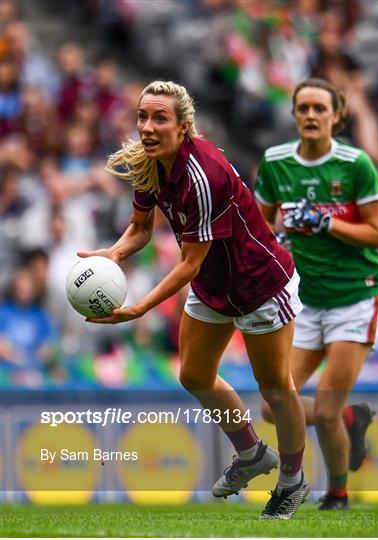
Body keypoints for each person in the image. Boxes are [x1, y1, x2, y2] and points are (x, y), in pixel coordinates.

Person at [78, 80, 309, 520]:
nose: (147, 126)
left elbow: (188, 263)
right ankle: (252, 454)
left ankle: (293, 481)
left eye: (159, 118)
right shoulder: (151, 162)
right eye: (143, 116)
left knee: (276, 389)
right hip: (214, 282)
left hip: (258, 283)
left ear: (184, 127)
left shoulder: (203, 174)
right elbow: (141, 229)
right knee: (195, 375)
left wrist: (140, 307)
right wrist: (113, 254)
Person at [254, 78, 378, 510]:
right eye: (303, 108)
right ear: (294, 114)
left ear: (336, 116)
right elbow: (261, 229)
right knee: (272, 407)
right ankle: (354, 418)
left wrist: (326, 223)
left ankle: (337, 495)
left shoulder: (355, 164)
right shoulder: (275, 162)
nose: (311, 115)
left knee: (325, 409)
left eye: (319, 108)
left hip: (355, 296)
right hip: (305, 300)